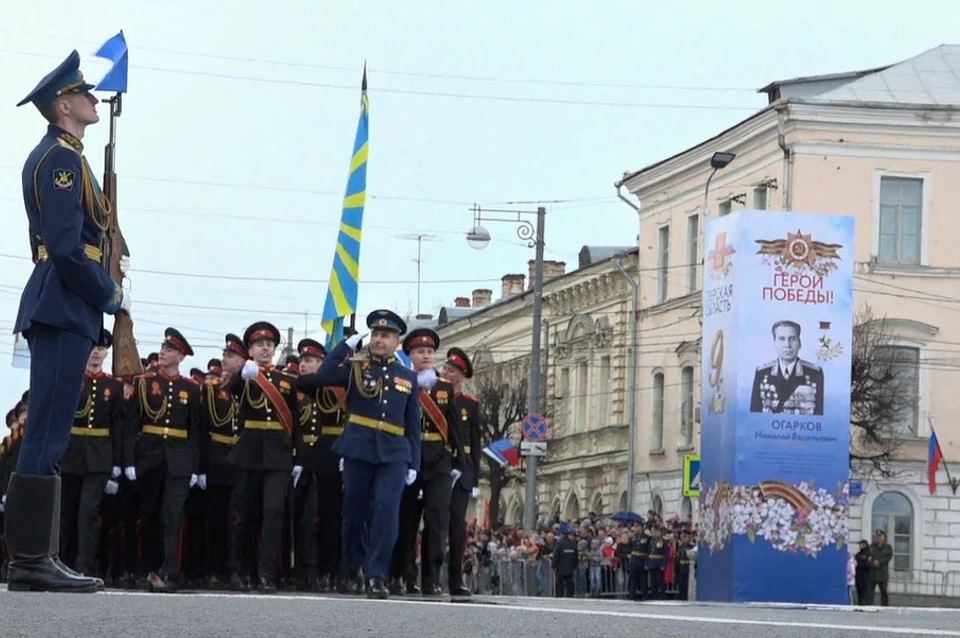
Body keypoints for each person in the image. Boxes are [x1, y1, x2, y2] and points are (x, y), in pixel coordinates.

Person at [7, 49, 133, 594]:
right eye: (83, 93)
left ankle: (37, 556)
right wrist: (108, 292)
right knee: (46, 432)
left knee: (51, 430)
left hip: (63, 303)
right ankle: (32, 559)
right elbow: (63, 245)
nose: (91, 99)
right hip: (63, 300)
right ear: (63, 104)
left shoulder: (70, 156)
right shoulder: (60, 160)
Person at [303, 310, 420, 599]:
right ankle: (352, 566)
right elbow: (324, 375)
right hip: (358, 447)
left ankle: (376, 575)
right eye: (376, 335)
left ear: (397, 341)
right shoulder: (355, 367)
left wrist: (414, 461)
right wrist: (345, 346)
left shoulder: (407, 376)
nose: (380, 340)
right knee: (354, 513)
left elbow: (412, 423)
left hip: (394, 452)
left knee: (386, 512)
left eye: (386, 336)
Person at [227, 321, 304, 594]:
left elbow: (296, 419)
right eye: (259, 345)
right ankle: (242, 570)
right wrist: (242, 375)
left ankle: (266, 573)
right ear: (250, 349)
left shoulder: (287, 381)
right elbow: (231, 391)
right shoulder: (246, 375)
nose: (265, 349)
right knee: (246, 515)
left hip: (278, 455)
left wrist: (298, 458)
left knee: (273, 513)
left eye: (269, 345)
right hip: (249, 452)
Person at [123, 328, 202, 592]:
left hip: (178, 459)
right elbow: (131, 423)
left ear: (180, 356)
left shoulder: (191, 389)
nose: (163, 352)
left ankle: (170, 572)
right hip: (149, 456)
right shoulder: (144, 382)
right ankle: (147, 568)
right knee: (149, 515)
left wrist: (195, 467)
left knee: (173, 515)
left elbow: (196, 431)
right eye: (163, 348)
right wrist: (129, 461)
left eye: (169, 350)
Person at [390, 328, 464, 596]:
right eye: (420, 351)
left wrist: (459, 462)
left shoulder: (444, 388)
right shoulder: (401, 383)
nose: (426, 356)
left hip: (439, 462)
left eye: (430, 352)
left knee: (436, 522)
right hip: (409, 458)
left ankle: (431, 578)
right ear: (409, 355)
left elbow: (455, 427)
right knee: (405, 520)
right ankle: (401, 575)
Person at [59, 329, 125, 579]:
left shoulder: (113, 386)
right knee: (67, 513)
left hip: (99, 456)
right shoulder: (71, 379)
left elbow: (118, 427)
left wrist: (118, 464)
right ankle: (63, 561)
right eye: (93, 348)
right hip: (70, 452)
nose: (96, 353)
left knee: (89, 513)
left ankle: (84, 565)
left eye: (101, 349)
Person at [440, 347, 481, 597]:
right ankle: (425, 576)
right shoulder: (433, 397)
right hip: (439, 465)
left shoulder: (469, 404)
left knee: (457, 525)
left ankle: (456, 578)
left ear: (461, 377)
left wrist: (474, 477)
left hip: (462, 470)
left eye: (451, 370)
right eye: (445, 368)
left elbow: (475, 443)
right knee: (434, 525)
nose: (445, 373)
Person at [750, 320, 824, 415]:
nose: (787, 345)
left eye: (792, 339)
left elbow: (819, 415)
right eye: (781, 339)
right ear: (774, 342)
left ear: (799, 343)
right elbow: (754, 415)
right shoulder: (762, 373)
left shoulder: (814, 373)